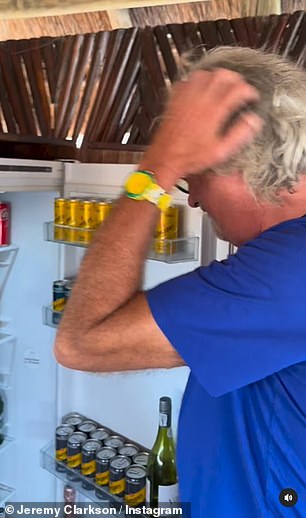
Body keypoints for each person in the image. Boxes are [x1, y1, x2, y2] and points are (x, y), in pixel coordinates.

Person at [54, 46, 306, 517]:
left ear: (244, 167)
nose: (191, 203)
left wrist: (158, 167)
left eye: (193, 180)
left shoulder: (293, 270)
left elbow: (82, 343)